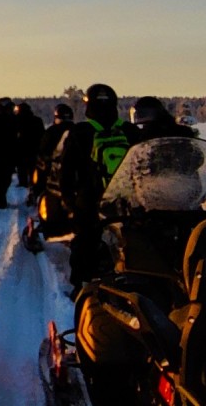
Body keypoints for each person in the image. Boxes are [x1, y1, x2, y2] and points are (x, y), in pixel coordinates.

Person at [56, 83, 136, 286]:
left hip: (91, 199)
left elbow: (66, 170)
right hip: (127, 199)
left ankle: (82, 290)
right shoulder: (130, 131)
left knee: (85, 242)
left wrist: (69, 200)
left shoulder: (80, 132)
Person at [10, 100, 45, 192]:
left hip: (21, 151)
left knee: (22, 172)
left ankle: (25, 186)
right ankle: (32, 188)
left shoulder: (16, 120)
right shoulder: (37, 120)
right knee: (32, 171)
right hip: (33, 151)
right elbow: (42, 135)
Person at [128, 96, 198, 140]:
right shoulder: (139, 134)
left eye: (142, 114)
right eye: (138, 114)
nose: (140, 117)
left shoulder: (180, 131)